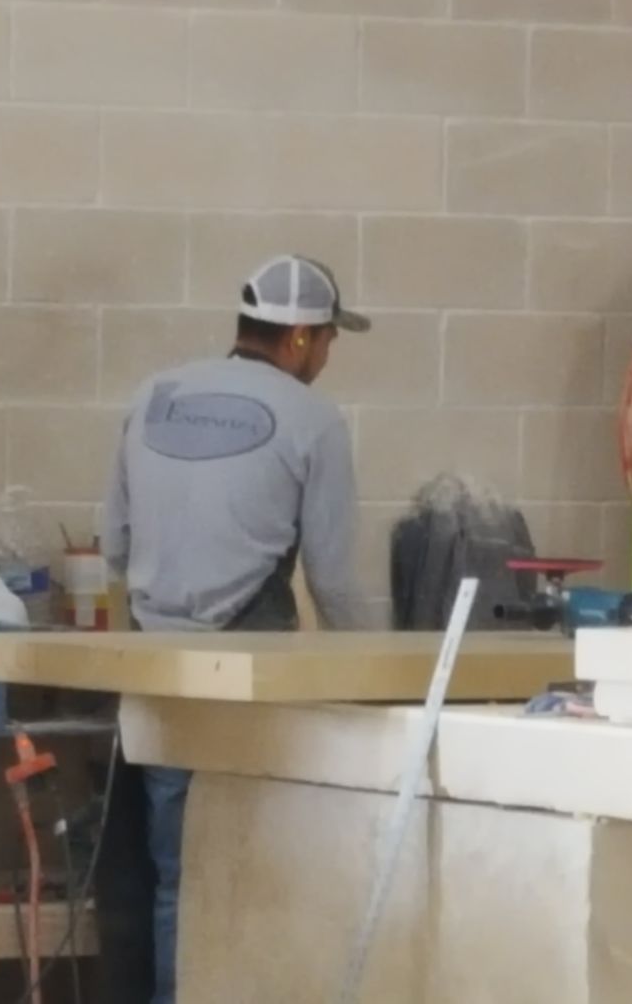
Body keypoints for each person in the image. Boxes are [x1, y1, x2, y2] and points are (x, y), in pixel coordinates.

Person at [97, 254, 371, 1004]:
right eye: (327, 341)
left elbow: (114, 545)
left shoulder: (153, 394)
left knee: (176, 873)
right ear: (300, 338)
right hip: (252, 673)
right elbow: (334, 580)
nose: (326, 356)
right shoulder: (315, 419)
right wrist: (386, 675)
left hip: (158, 669)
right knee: (260, 871)